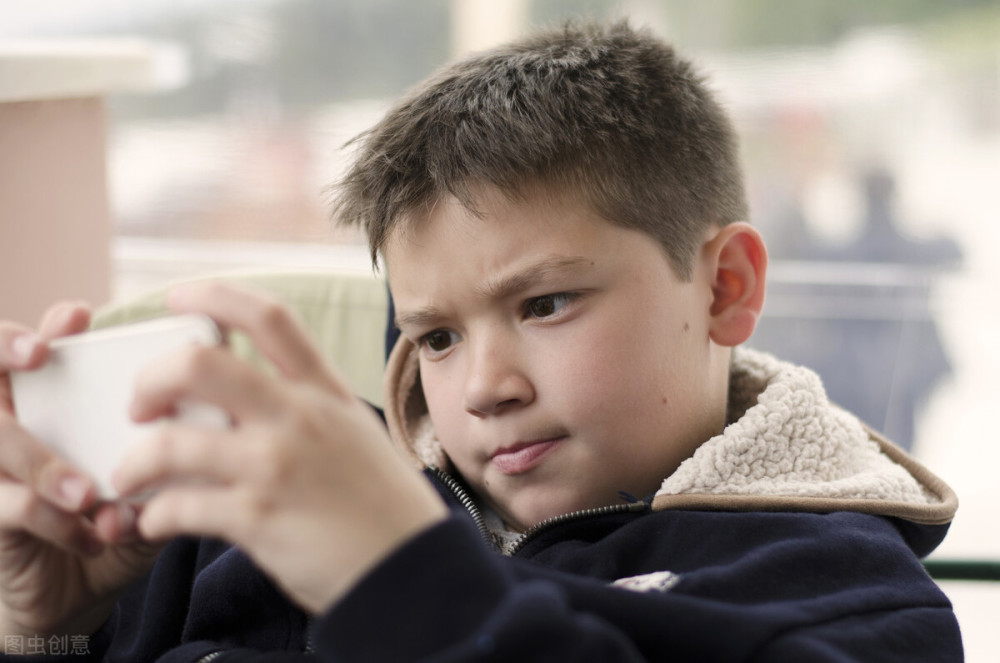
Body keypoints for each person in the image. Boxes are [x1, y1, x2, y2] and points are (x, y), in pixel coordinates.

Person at [0, 20, 961, 662]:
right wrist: (52, 629)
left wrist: (393, 578)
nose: (483, 389)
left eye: (544, 305)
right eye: (438, 337)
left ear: (725, 286)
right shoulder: (231, 515)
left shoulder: (849, 605)